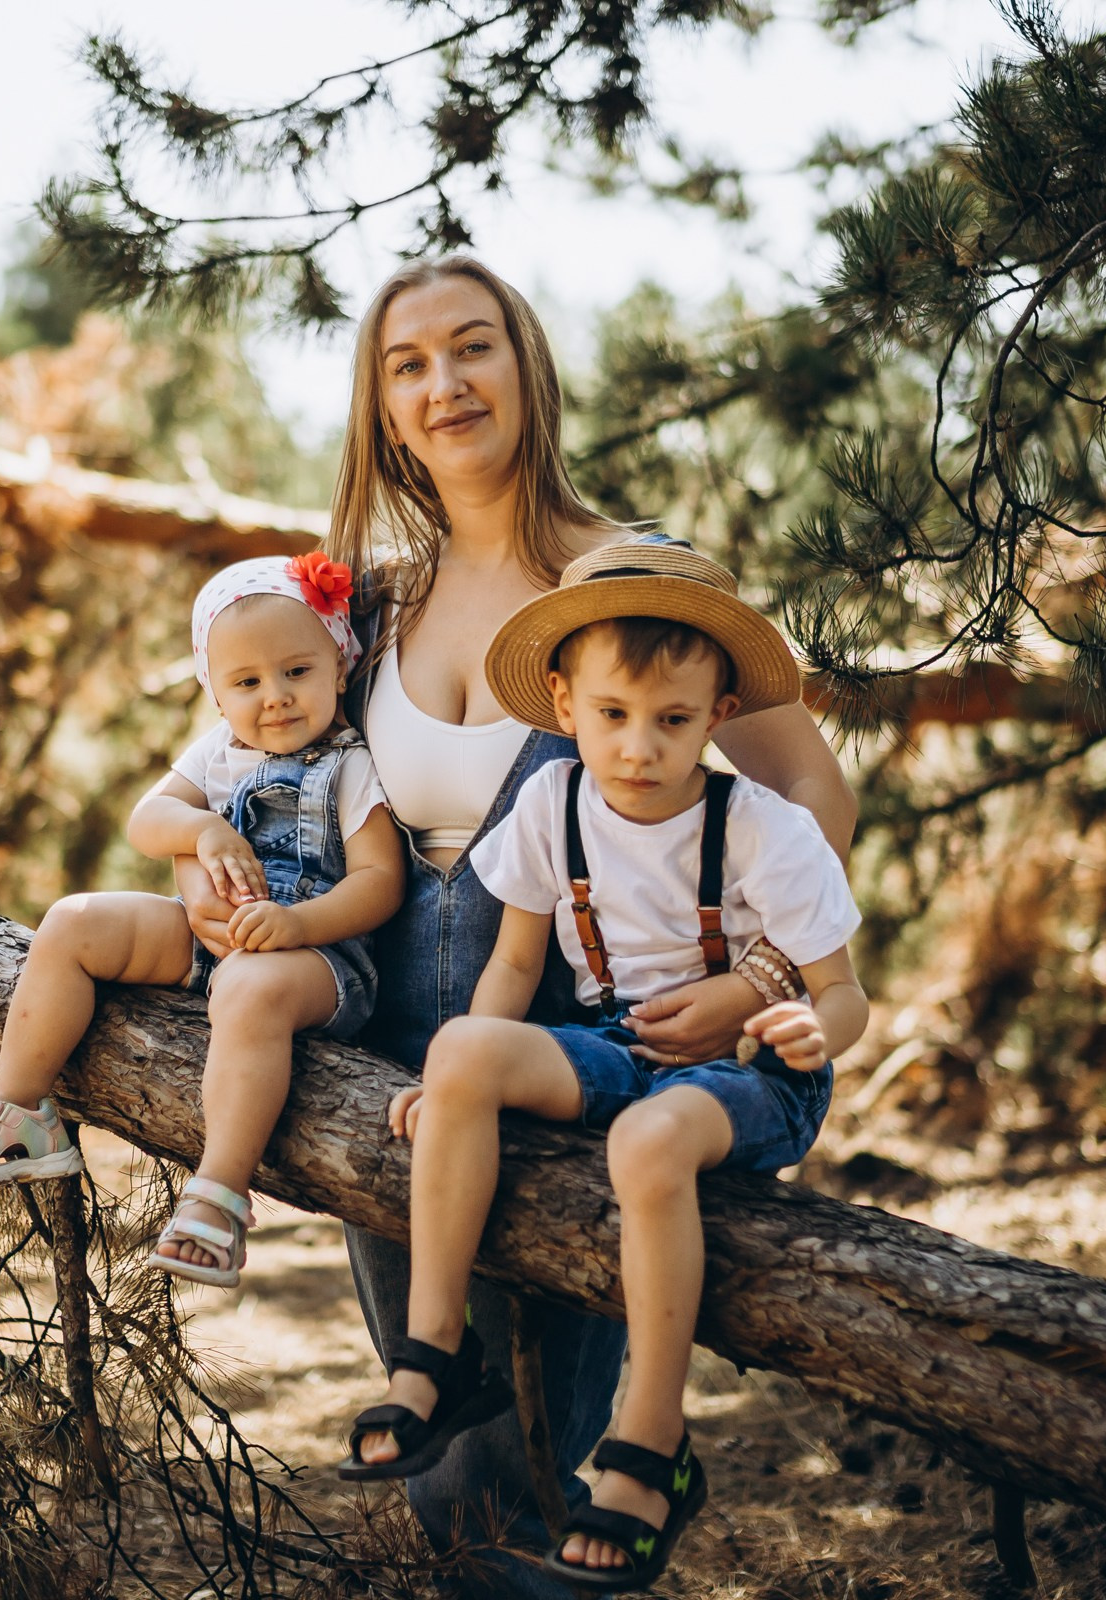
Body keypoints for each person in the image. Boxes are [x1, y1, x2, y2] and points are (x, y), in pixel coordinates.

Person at [173, 256, 856, 1598]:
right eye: (407, 363)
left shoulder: (625, 580)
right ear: (381, 407)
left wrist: (758, 974)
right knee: (444, 1427)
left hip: (566, 1029)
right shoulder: (365, 604)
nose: (444, 385)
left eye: (472, 347)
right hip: (384, 1040)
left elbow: (809, 786)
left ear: (526, 368)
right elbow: (247, 766)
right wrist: (212, 860)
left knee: (561, 1403)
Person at [345, 543, 868, 1590]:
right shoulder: (551, 807)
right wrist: (455, 1075)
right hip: (619, 1046)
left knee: (648, 1139)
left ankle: (649, 1447)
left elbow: (843, 993)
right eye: (614, 714)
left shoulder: (762, 828)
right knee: (463, 1048)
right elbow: (515, 961)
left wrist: (803, 1028)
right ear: (562, 702)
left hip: (750, 1075)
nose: (639, 747)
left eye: (673, 720)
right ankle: (438, 1356)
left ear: (718, 713)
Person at [0, 552, 403, 1291]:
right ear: (216, 696)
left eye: (296, 672)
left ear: (340, 669)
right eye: (247, 683)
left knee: (248, 990)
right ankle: (18, 1114)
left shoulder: (351, 765)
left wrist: (300, 927)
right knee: (73, 922)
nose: (273, 698)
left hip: (316, 961)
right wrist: (202, 833)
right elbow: (148, 820)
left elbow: (380, 883)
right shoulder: (218, 753)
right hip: (208, 935)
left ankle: (220, 1195)